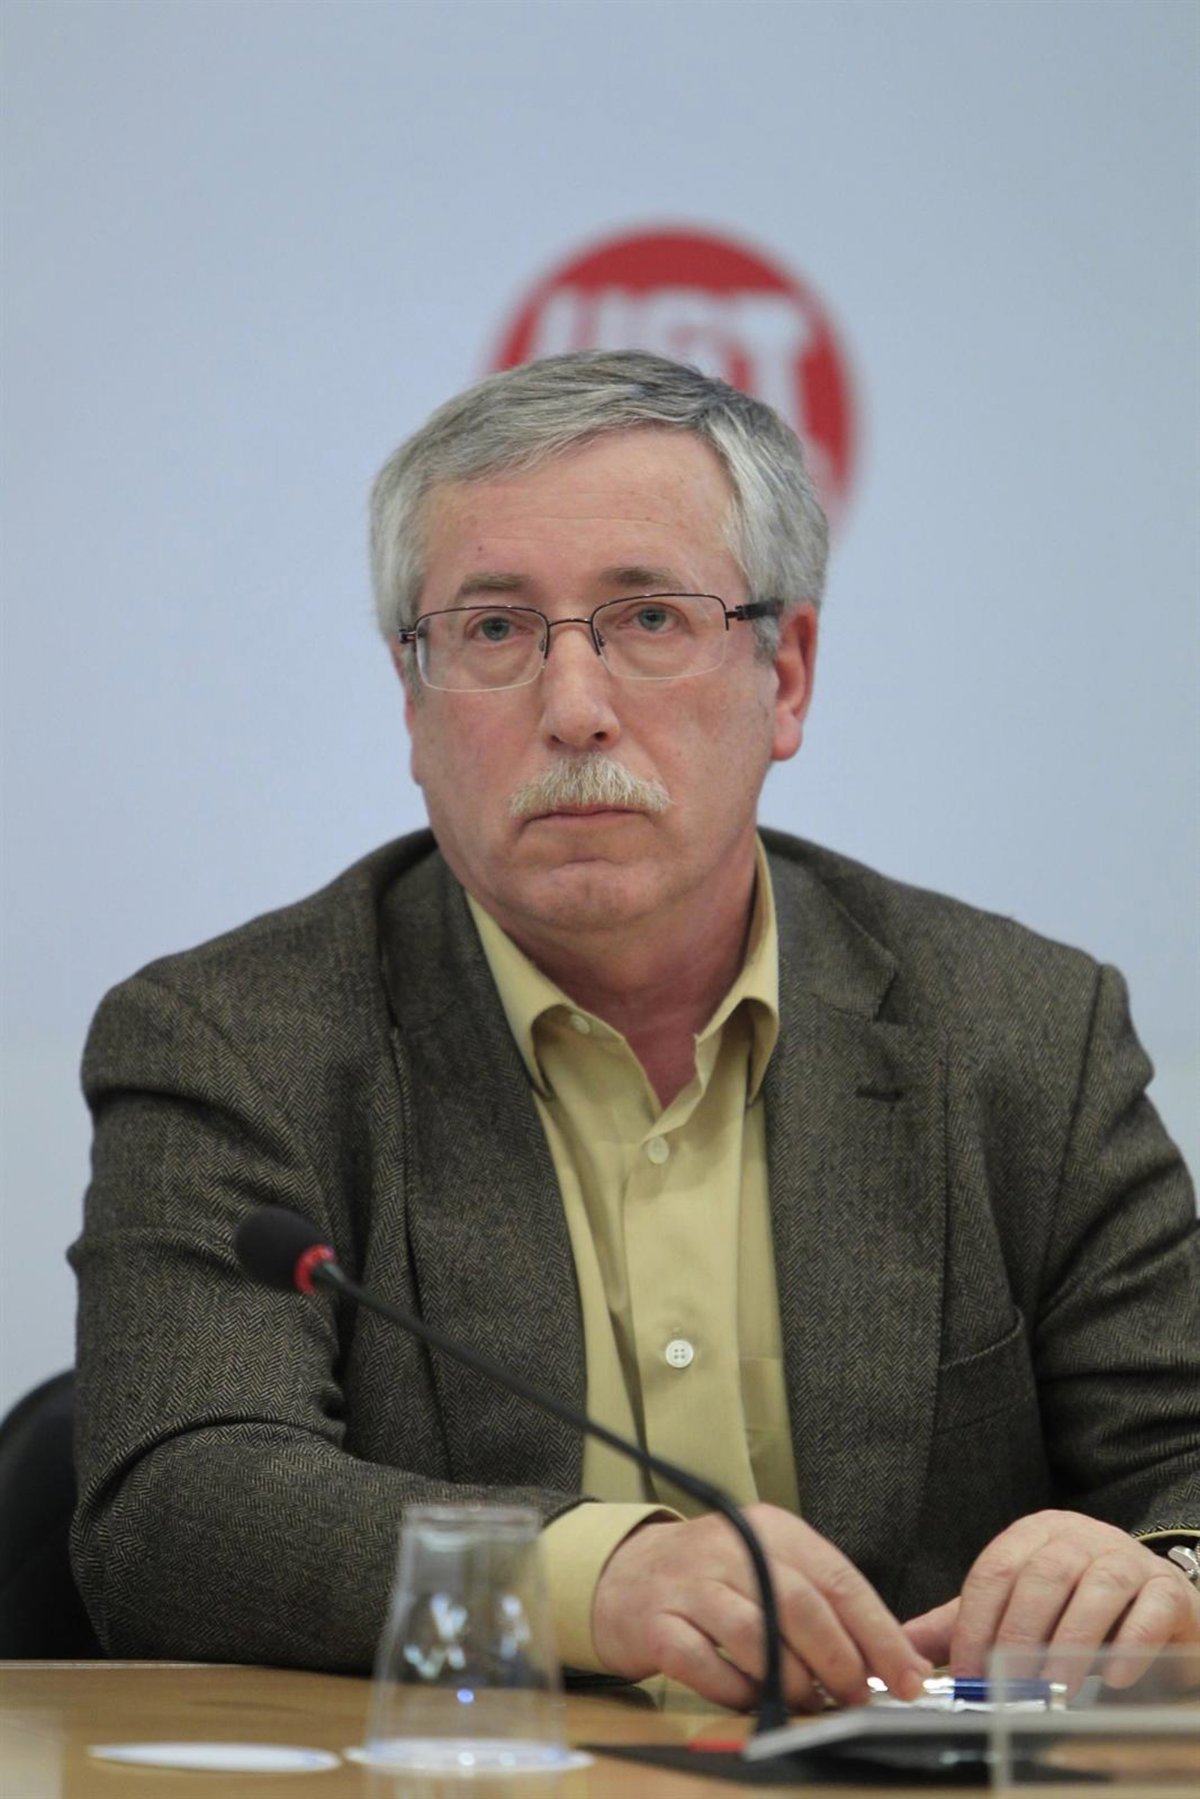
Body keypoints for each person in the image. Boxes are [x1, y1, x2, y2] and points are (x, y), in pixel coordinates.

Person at [70, 350, 1199, 1710]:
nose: (573, 709)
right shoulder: (235, 1042)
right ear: (413, 703)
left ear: (787, 675)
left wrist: (1159, 1571)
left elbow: (1184, 1466)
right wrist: (599, 1580)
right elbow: (177, 1505)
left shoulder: (1020, 1032)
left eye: (650, 618)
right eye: (495, 631)